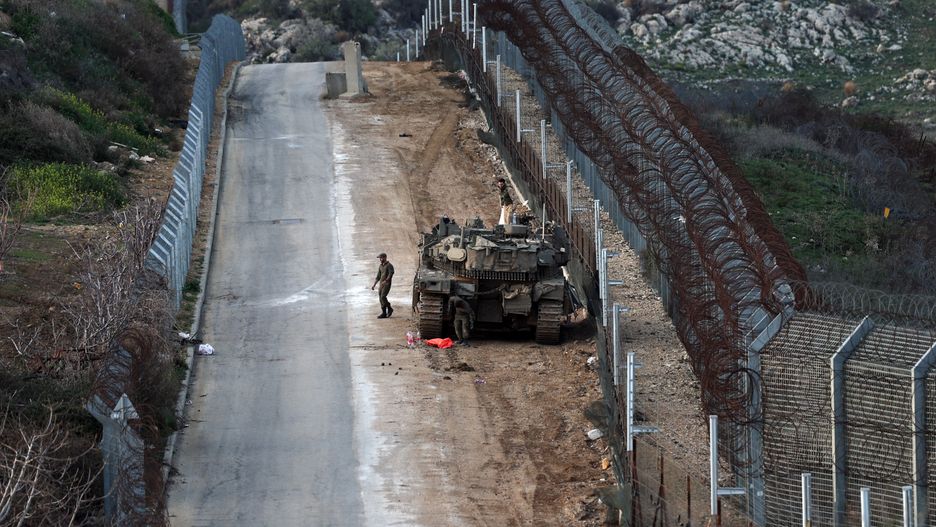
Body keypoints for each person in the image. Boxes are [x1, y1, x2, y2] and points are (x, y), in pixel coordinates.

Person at [371, 253, 394, 318]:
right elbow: (378, 276)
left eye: (381, 258)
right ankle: (384, 313)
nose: (380, 259)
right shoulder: (380, 266)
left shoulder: (389, 265)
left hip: (387, 284)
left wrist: (386, 280)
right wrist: (374, 285)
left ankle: (389, 308)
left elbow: (391, 274)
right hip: (381, 284)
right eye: (379, 258)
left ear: (385, 257)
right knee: (380, 298)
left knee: (383, 296)